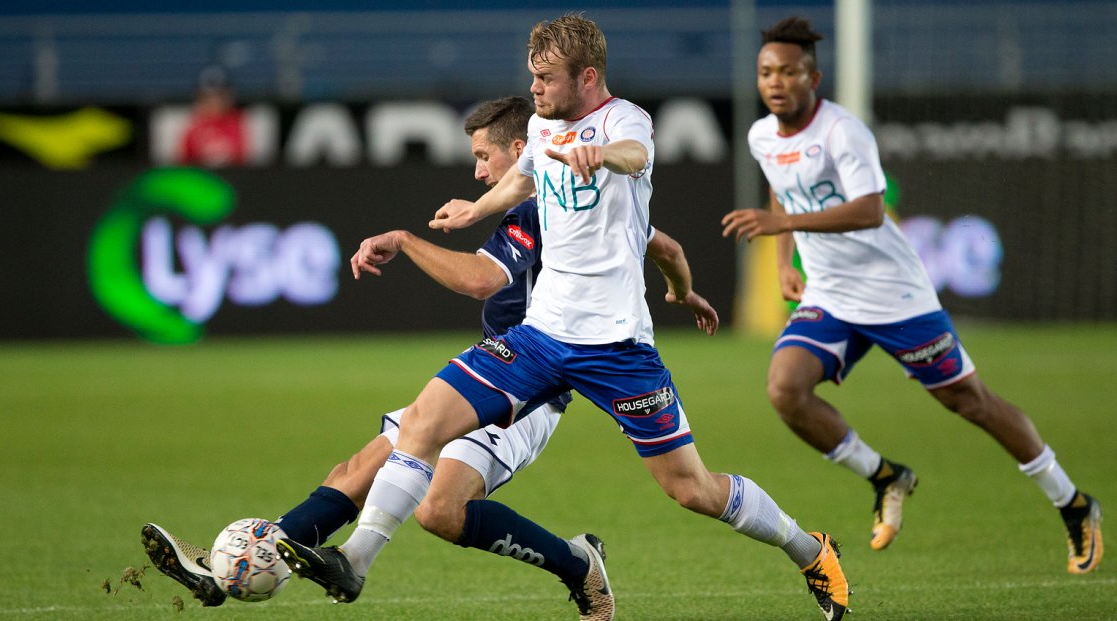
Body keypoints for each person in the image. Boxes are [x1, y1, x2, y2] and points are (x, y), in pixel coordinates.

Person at [277, 14, 850, 621]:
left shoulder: (626, 120)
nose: (535, 89)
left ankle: (809, 549)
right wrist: (475, 210)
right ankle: (355, 559)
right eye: (533, 76)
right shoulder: (541, 125)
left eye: (546, 78)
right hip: (539, 338)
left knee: (692, 489)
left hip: (617, 348)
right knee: (422, 421)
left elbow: (634, 156)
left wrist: (602, 155)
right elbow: (522, 180)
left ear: (588, 77)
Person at [141, 95, 720, 611]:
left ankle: (578, 565)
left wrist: (404, 240)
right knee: (356, 470)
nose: (478, 171)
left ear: (521, 149)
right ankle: (239, 565)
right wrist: (682, 291)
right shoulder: (572, 198)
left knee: (440, 511)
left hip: (530, 388)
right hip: (496, 369)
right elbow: (663, 244)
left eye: (484, 156)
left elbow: (480, 280)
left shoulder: (541, 206)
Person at [721, 16, 1102, 574]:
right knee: (786, 390)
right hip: (831, 292)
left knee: (970, 402)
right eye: (766, 72)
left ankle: (1073, 503)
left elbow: (870, 210)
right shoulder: (762, 136)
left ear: (814, 78)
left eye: (789, 72)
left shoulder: (843, 131)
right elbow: (781, 189)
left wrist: (784, 227)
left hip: (894, 293)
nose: (775, 82)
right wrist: (784, 262)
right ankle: (885, 476)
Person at [178, 66, 248, 167]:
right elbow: (184, 164)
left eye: (218, 97)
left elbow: (244, 160)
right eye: (206, 98)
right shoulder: (192, 129)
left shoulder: (241, 125)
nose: (213, 102)